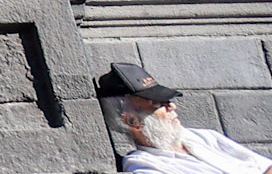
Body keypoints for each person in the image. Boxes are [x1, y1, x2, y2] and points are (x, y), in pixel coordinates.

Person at [110, 66, 270, 173]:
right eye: (158, 104)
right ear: (133, 121)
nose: (172, 107)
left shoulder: (203, 137)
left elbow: (265, 166)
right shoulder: (146, 165)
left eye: (168, 101)